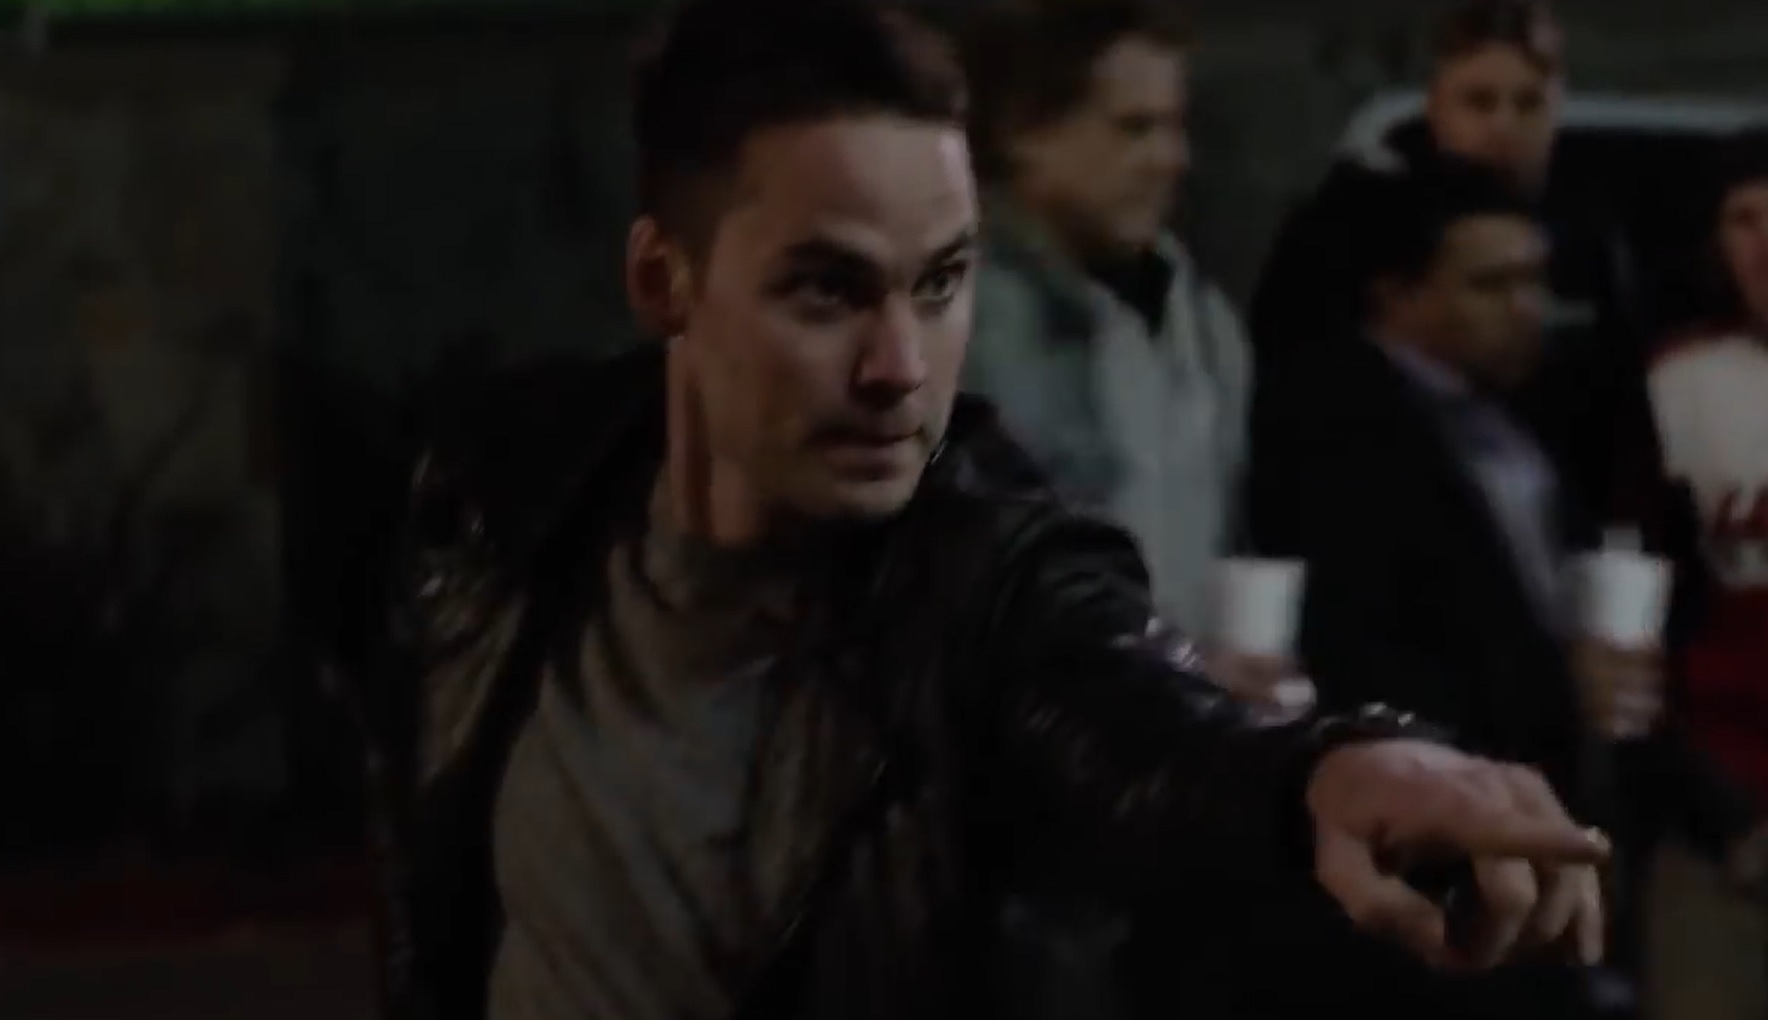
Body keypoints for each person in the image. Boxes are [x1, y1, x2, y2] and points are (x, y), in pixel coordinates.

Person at [332, 3, 1610, 1018]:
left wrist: (1321, 772)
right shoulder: (501, 496)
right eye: (826, 292)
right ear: (665, 282)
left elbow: (1131, 719)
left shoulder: (983, 566)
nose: (899, 367)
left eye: (940, 284)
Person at [1245, 158, 1633, 1019]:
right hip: (1430, 841)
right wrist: (1553, 690)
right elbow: (1353, 643)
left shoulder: (1516, 417)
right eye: (1491, 284)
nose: (1527, 306)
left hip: (1532, 824)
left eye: (1535, 280)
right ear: (1400, 296)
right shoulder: (1340, 423)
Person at [1249, 0, 1660, 541]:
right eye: (1479, 101)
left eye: (1528, 103)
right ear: (1436, 104)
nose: (1503, 125)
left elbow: (1622, 417)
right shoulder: (1347, 230)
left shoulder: (1585, 237)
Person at [957, 0, 1253, 652]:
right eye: (1133, 128)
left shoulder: (1203, 321)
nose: (1170, 158)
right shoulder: (959, 320)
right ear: (1025, 133)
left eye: (1174, 127)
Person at [1641, 129, 1768, 1020]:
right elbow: (1624, 634)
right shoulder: (1673, 385)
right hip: (1717, 823)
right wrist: (1721, 815)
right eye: (1745, 219)